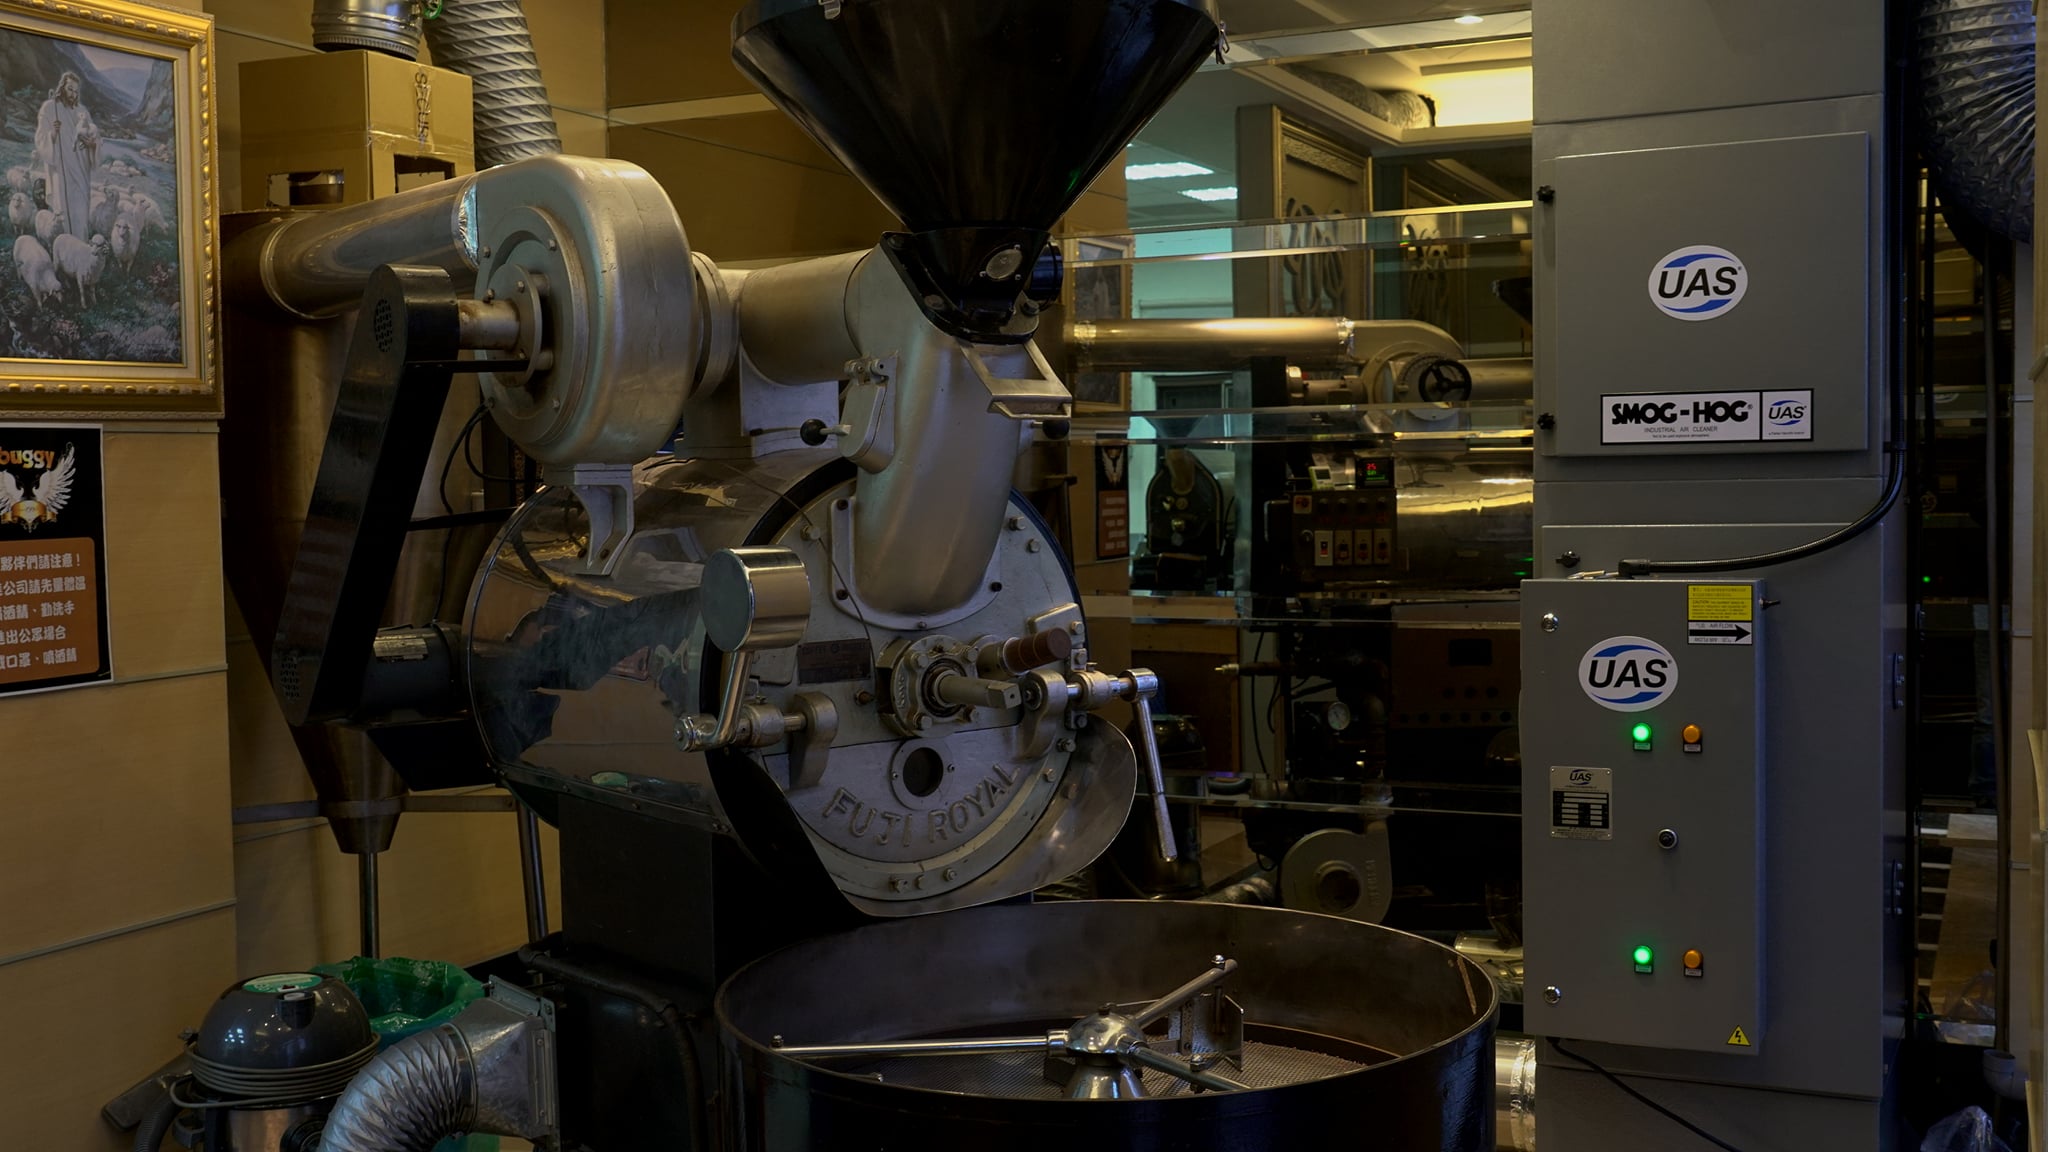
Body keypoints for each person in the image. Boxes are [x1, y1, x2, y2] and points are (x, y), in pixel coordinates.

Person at [33, 72, 96, 243]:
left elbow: (94, 135)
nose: (73, 94)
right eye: (69, 89)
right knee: (63, 212)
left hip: (81, 171)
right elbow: (40, 139)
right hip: (60, 169)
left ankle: (81, 249)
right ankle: (65, 250)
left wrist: (92, 143)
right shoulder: (49, 108)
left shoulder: (82, 111)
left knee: (80, 212)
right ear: (62, 88)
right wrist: (53, 134)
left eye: (76, 91)